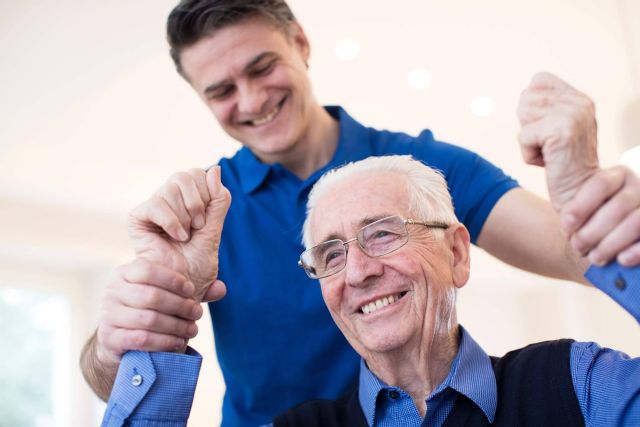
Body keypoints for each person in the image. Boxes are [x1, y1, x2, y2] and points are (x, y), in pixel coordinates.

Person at [80, 1, 640, 425]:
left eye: (262, 67)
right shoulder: (205, 214)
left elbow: (578, 252)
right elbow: (115, 375)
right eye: (222, 90)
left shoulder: (423, 168)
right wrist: (119, 342)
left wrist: (589, 197)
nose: (250, 102)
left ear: (300, 43)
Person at [100, 155, 639, 427]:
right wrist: (166, 307)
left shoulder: (577, 383)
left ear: (456, 253)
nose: (357, 271)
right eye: (331, 254)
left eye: (382, 233)